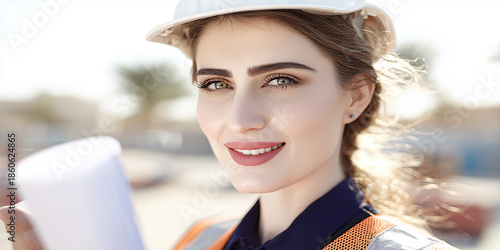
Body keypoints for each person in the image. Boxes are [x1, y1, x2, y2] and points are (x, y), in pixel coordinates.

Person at [1, 0, 459, 249]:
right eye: (217, 84)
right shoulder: (201, 239)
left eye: (281, 80)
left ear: (355, 96)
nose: (240, 121)